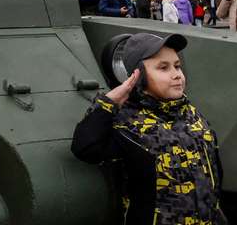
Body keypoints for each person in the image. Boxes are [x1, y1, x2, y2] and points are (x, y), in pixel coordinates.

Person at [71, 33, 226, 224]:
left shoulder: (191, 115)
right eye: (163, 68)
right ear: (138, 76)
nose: (177, 74)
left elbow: (214, 174)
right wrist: (109, 102)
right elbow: (85, 147)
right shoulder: (128, 125)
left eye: (177, 66)